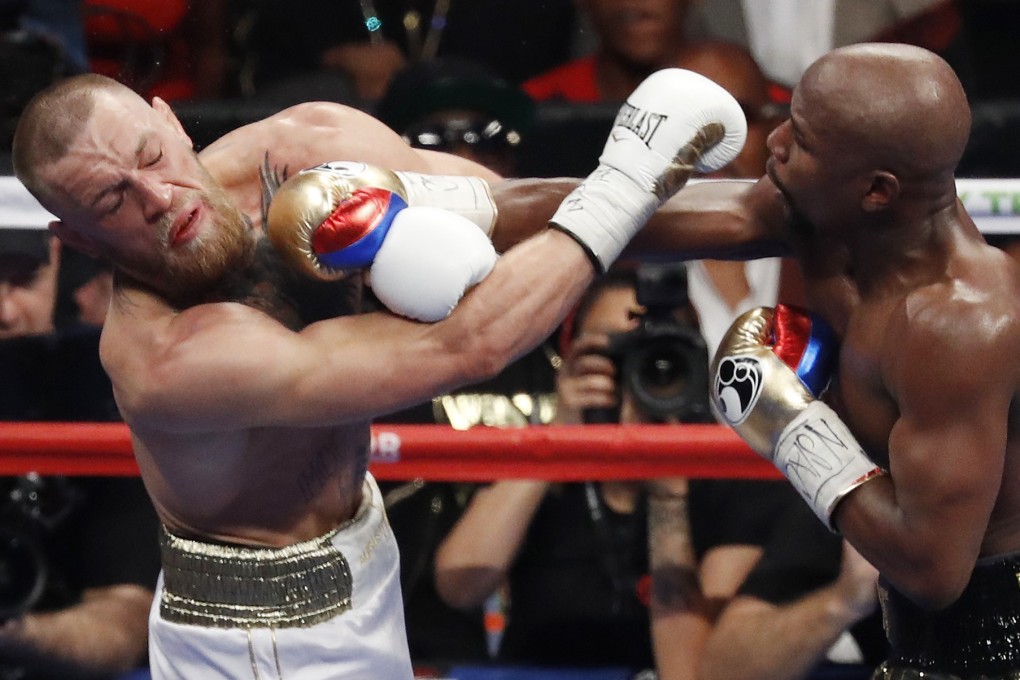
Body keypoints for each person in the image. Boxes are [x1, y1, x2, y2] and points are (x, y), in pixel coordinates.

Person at [10, 67, 746, 678]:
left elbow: (509, 206)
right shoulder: (166, 355)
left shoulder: (302, 147)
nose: (160, 200)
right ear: (75, 238)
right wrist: (632, 174)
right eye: (114, 201)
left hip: (360, 566)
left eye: (149, 157)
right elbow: (466, 347)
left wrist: (770, 219)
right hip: (260, 647)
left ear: (171, 121)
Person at [640, 42, 1020, 678]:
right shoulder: (823, 215)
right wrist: (442, 205)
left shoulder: (961, 324)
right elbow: (630, 220)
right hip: (914, 649)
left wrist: (791, 427)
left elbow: (933, 570)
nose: (774, 144)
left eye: (805, 140)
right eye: (787, 118)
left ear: (877, 189)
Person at [0, 227, 161, 679]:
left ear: (55, 263)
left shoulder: (101, 395)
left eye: (25, 281)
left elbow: (125, 617)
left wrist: (13, 632)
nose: (6, 312)